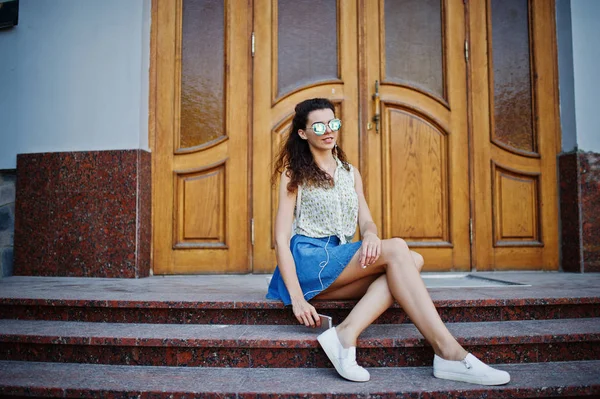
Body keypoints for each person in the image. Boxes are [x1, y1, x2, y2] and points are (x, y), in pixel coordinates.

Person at [266, 98, 510, 385]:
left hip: (336, 262)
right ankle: (449, 352)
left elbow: (367, 220)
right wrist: (296, 299)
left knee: (412, 260)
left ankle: (345, 334)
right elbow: (281, 239)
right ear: (303, 133)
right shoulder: (293, 173)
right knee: (397, 250)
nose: (328, 130)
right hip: (308, 260)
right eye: (319, 125)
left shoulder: (349, 172)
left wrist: (370, 233)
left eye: (333, 123)